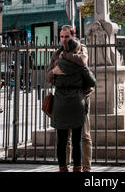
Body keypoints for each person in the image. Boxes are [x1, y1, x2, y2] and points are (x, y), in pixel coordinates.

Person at [46, 25, 93, 172]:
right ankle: (65, 165)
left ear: (73, 36)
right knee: (65, 138)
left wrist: (63, 60)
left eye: (66, 36)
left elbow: (83, 61)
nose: (63, 39)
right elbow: (48, 76)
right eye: (61, 36)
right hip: (64, 98)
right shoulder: (57, 53)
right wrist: (55, 71)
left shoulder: (81, 48)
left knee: (84, 135)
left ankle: (86, 168)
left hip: (82, 96)